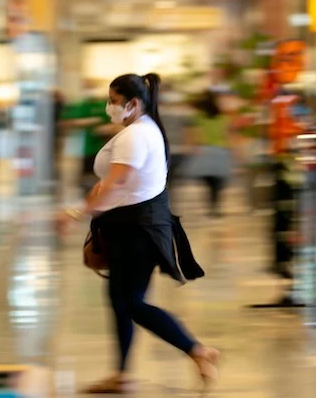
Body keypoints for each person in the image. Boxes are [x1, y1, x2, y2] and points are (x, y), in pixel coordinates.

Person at [59, 73, 220, 394]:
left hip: (137, 230)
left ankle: (198, 351)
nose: (109, 108)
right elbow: (112, 183)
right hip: (131, 225)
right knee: (120, 301)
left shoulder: (136, 136)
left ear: (132, 104)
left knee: (132, 302)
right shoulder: (140, 130)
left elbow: (115, 183)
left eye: (113, 102)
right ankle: (122, 375)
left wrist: (77, 214)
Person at [185, 90, 234, 218]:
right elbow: (227, 135)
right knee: (218, 182)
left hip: (204, 151)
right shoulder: (223, 118)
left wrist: (193, 147)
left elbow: (194, 134)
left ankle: (211, 205)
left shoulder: (197, 117)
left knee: (208, 181)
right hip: (220, 151)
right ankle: (215, 205)